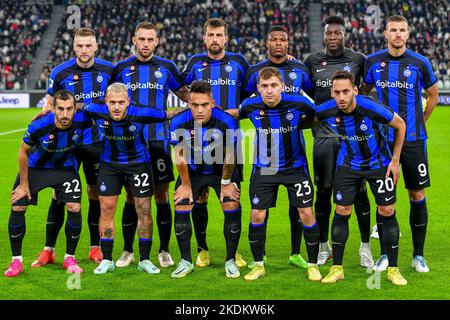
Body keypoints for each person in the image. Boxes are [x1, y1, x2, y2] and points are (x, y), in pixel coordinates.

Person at [362, 15, 439, 273]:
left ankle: (418, 256)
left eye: (402, 30)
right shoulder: (373, 62)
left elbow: (433, 95)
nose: (397, 34)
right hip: (383, 142)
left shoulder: (421, 63)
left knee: (417, 194)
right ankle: (384, 254)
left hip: (414, 141)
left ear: (408, 33)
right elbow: (362, 94)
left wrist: (419, 122)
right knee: (384, 199)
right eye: (393, 30)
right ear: (385, 33)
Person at [231, 66, 322, 282]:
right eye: (265, 86)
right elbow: (236, 115)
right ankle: (259, 265)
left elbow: (318, 115)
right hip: (264, 169)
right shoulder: (250, 106)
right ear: (258, 88)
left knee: (306, 213)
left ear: (282, 86)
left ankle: (312, 265)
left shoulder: (299, 103)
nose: (269, 90)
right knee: (257, 215)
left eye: (273, 86)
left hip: (295, 168)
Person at [32, 28, 113, 267]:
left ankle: (95, 248)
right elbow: (50, 104)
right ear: (74, 46)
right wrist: (44, 116)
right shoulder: (60, 72)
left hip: (97, 142)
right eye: (80, 45)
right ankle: (49, 249)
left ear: (96, 46)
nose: (84, 50)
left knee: (94, 193)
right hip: (67, 144)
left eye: (88, 45)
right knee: (59, 195)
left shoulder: (109, 70)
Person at [317, 71, 407, 286]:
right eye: (337, 92)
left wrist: (395, 161)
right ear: (331, 93)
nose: (341, 97)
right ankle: (337, 268)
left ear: (355, 91)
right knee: (342, 211)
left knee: (387, 210)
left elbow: (400, 125)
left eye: (346, 91)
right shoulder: (325, 111)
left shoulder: (371, 107)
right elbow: (305, 119)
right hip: (348, 165)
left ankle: (393, 269)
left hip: (379, 164)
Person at [113, 21, 190, 268]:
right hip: (130, 140)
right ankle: (127, 251)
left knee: (161, 196)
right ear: (134, 40)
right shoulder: (121, 68)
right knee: (130, 196)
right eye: (141, 39)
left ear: (157, 41)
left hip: (158, 140)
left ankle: (164, 250)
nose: (146, 44)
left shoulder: (167, 67)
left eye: (150, 40)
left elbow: (186, 95)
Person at [83, 83, 181, 275]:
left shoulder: (142, 113)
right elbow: (77, 107)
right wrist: (49, 110)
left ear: (128, 101)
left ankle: (144, 259)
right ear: (106, 102)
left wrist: (191, 107)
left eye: (121, 102)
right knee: (106, 210)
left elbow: (168, 114)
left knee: (144, 210)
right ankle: (107, 260)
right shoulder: (95, 110)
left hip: (138, 165)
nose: (117, 107)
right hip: (109, 166)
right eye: (112, 102)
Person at [304, 16, 373, 268]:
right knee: (322, 192)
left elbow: (365, 89)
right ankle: (324, 246)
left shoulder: (359, 59)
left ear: (345, 35)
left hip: (353, 138)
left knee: (360, 192)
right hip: (323, 137)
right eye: (328, 33)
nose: (333, 37)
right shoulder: (311, 61)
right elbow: (301, 89)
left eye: (337, 33)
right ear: (323, 36)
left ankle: (365, 246)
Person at [243, 25, 314, 270]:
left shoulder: (301, 69)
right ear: (267, 43)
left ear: (288, 42)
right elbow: (243, 106)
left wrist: (298, 124)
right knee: (260, 209)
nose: (278, 43)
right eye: (273, 39)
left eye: (282, 39)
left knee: (299, 208)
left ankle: (296, 253)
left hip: (295, 154)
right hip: (265, 159)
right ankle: (259, 258)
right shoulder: (254, 73)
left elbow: (315, 105)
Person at [181, 18, 249, 268]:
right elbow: (181, 88)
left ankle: (235, 252)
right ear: (204, 38)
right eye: (210, 35)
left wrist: (227, 113)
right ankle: (202, 250)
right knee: (199, 197)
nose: (215, 39)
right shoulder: (194, 64)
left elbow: (253, 96)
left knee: (230, 196)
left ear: (226, 38)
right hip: (198, 143)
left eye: (219, 35)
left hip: (229, 141)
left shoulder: (240, 62)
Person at [5, 90, 92, 277]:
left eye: (70, 109)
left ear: (75, 109)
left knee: (74, 206)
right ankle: (16, 261)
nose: (65, 114)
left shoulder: (83, 119)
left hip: (65, 168)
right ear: (53, 109)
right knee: (18, 206)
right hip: (36, 168)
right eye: (60, 109)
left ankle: (70, 257)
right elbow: (23, 151)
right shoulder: (39, 126)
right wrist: (24, 185)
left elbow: (103, 109)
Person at [169, 80, 243, 278]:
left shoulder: (226, 120)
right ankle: (186, 261)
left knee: (231, 203)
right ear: (188, 104)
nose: (200, 110)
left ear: (212, 102)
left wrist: (226, 184)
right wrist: (185, 184)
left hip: (221, 171)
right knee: (182, 203)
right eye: (195, 105)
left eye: (204, 105)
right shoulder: (178, 122)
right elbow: (179, 155)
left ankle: (230, 260)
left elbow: (230, 156)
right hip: (193, 172)